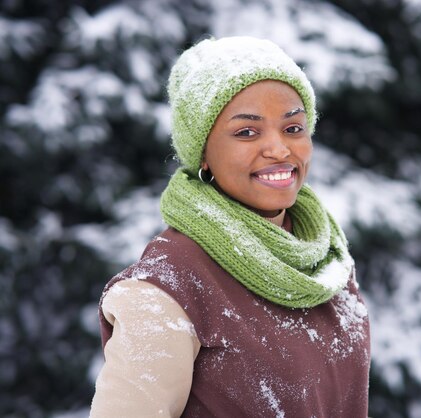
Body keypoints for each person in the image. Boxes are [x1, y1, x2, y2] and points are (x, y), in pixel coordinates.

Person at [90, 36, 370, 417]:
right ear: (203, 154)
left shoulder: (324, 257)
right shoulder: (166, 288)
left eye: (293, 128)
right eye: (246, 132)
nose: (278, 149)